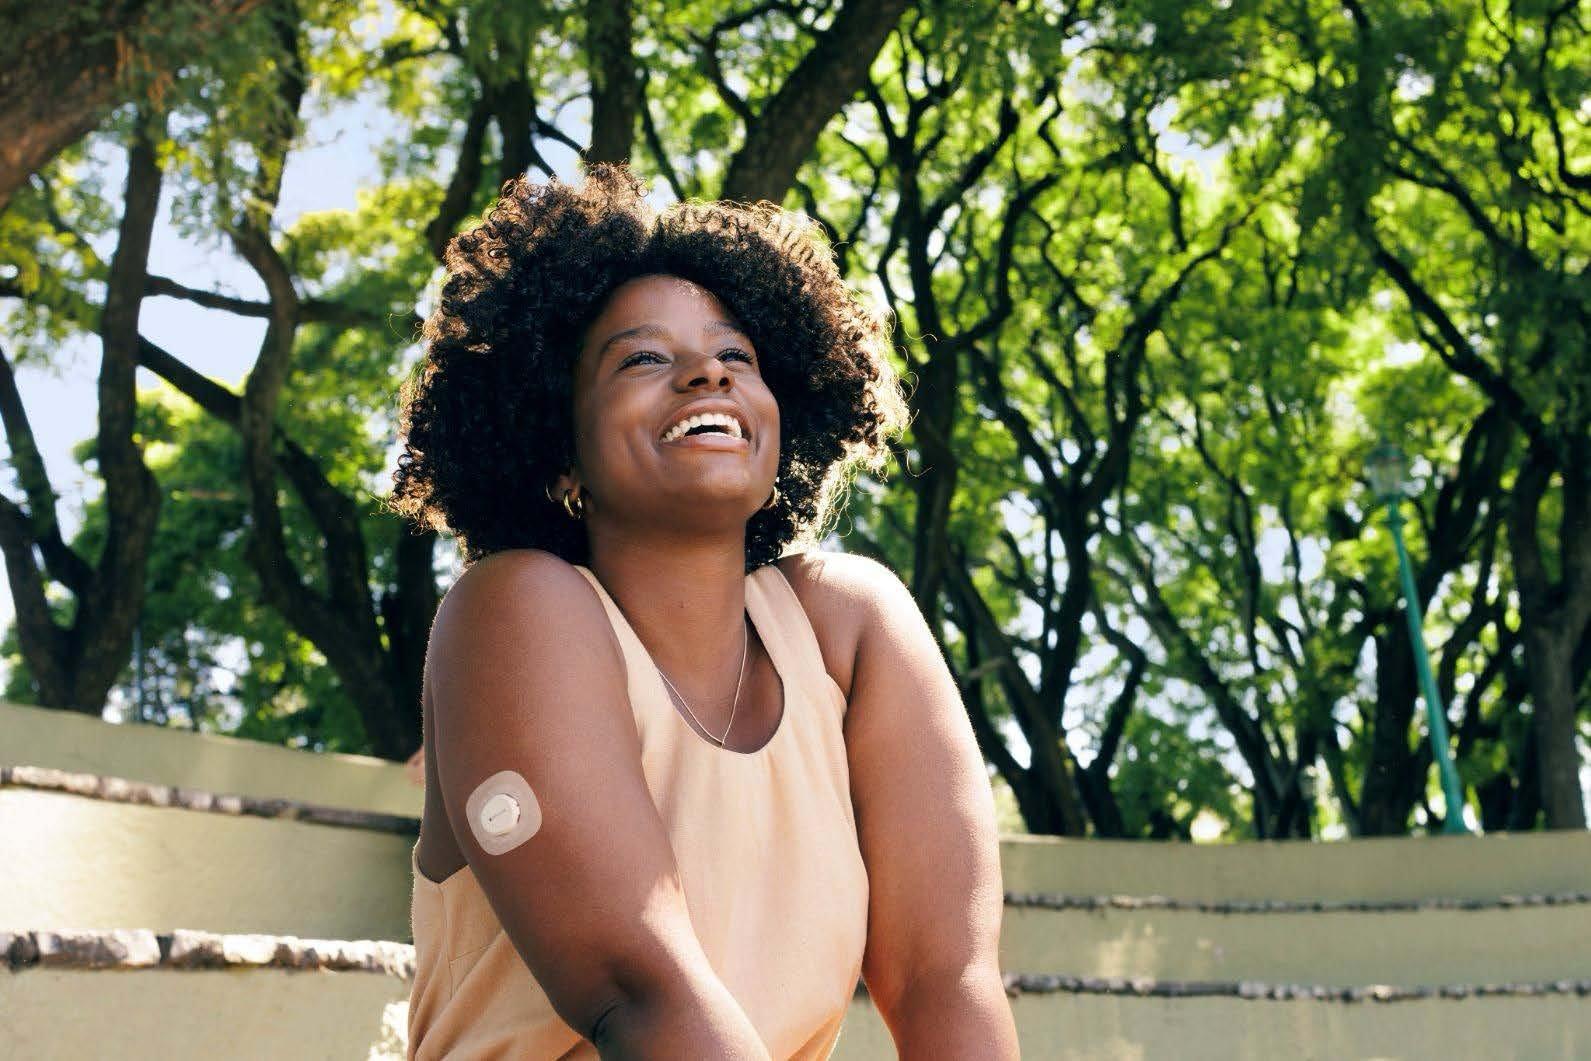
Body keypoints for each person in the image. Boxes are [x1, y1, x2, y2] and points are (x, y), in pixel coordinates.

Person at [387, 163, 1018, 1059]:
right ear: (560, 454)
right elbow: (642, 993)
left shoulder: (848, 628)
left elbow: (942, 980)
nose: (706, 373)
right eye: (643, 358)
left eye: (737, 356)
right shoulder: (515, 608)